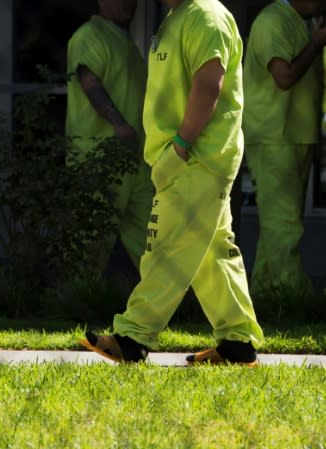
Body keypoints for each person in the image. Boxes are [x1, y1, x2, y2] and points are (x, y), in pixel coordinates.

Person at [80, 0, 264, 365]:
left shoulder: (205, 16)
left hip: (195, 157)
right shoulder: (178, 18)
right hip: (188, 156)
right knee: (213, 253)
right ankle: (237, 343)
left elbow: (209, 86)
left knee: (165, 246)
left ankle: (133, 336)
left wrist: (180, 147)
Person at [243, 0, 326, 293]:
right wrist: (316, 44)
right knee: (284, 226)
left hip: (294, 135)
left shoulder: (300, 21)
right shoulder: (273, 19)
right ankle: (292, 297)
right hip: (274, 135)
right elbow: (284, 76)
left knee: (278, 225)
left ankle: (266, 292)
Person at [65, 0, 153, 275]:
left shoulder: (125, 42)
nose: (130, 3)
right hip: (98, 158)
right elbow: (90, 83)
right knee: (89, 247)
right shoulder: (89, 36)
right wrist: (119, 123)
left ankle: (166, 306)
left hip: (132, 161)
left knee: (153, 241)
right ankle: (75, 306)